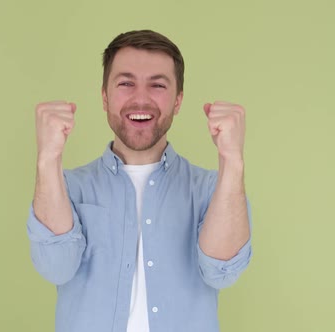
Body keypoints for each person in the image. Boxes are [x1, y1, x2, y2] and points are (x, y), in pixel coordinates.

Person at [26, 30, 252, 332]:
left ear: (178, 101)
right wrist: (48, 158)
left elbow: (221, 273)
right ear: (104, 97)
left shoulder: (213, 189)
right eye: (126, 83)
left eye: (158, 85)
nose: (141, 99)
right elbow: (55, 267)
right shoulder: (67, 187)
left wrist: (232, 162)